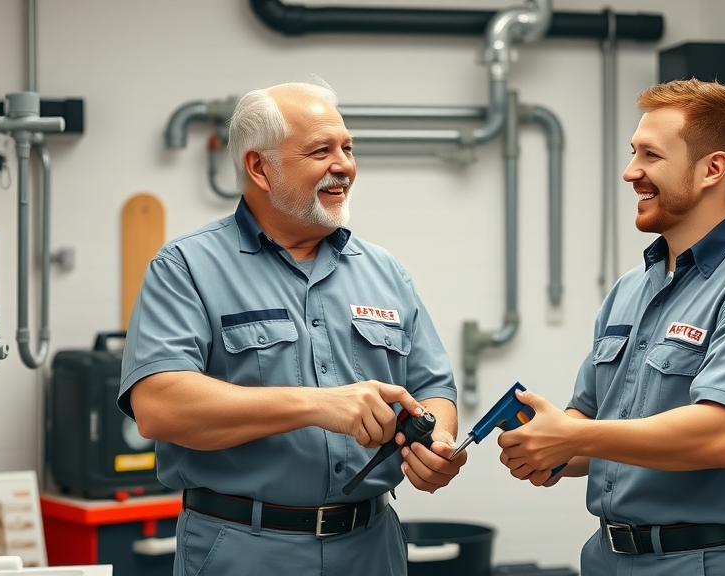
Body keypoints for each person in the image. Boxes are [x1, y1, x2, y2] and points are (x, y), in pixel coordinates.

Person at [117, 80, 466, 576]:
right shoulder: (187, 267)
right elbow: (158, 407)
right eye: (321, 150)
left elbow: (433, 387)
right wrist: (320, 406)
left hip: (372, 548)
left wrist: (438, 443)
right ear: (259, 167)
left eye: (347, 147)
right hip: (244, 549)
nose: (344, 165)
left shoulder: (385, 271)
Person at [497, 79, 725, 575]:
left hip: (701, 561)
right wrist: (550, 446)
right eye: (633, 152)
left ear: (713, 168)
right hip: (607, 557)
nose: (631, 172)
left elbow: (720, 436)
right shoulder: (630, 288)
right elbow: (590, 421)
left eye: (650, 155)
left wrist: (576, 438)